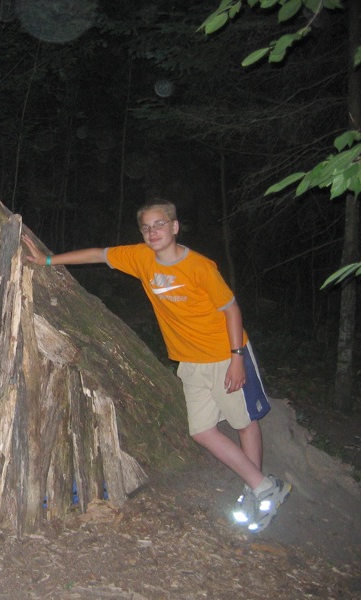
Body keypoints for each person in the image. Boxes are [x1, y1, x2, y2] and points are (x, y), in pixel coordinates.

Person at [22, 200, 291, 533]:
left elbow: (231, 310)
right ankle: (263, 485)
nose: (153, 232)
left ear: (175, 227)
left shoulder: (200, 266)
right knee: (202, 431)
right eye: (146, 227)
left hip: (224, 354)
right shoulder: (141, 257)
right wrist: (47, 260)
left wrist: (237, 358)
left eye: (160, 224)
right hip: (189, 360)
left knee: (244, 422)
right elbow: (97, 254)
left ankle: (259, 490)